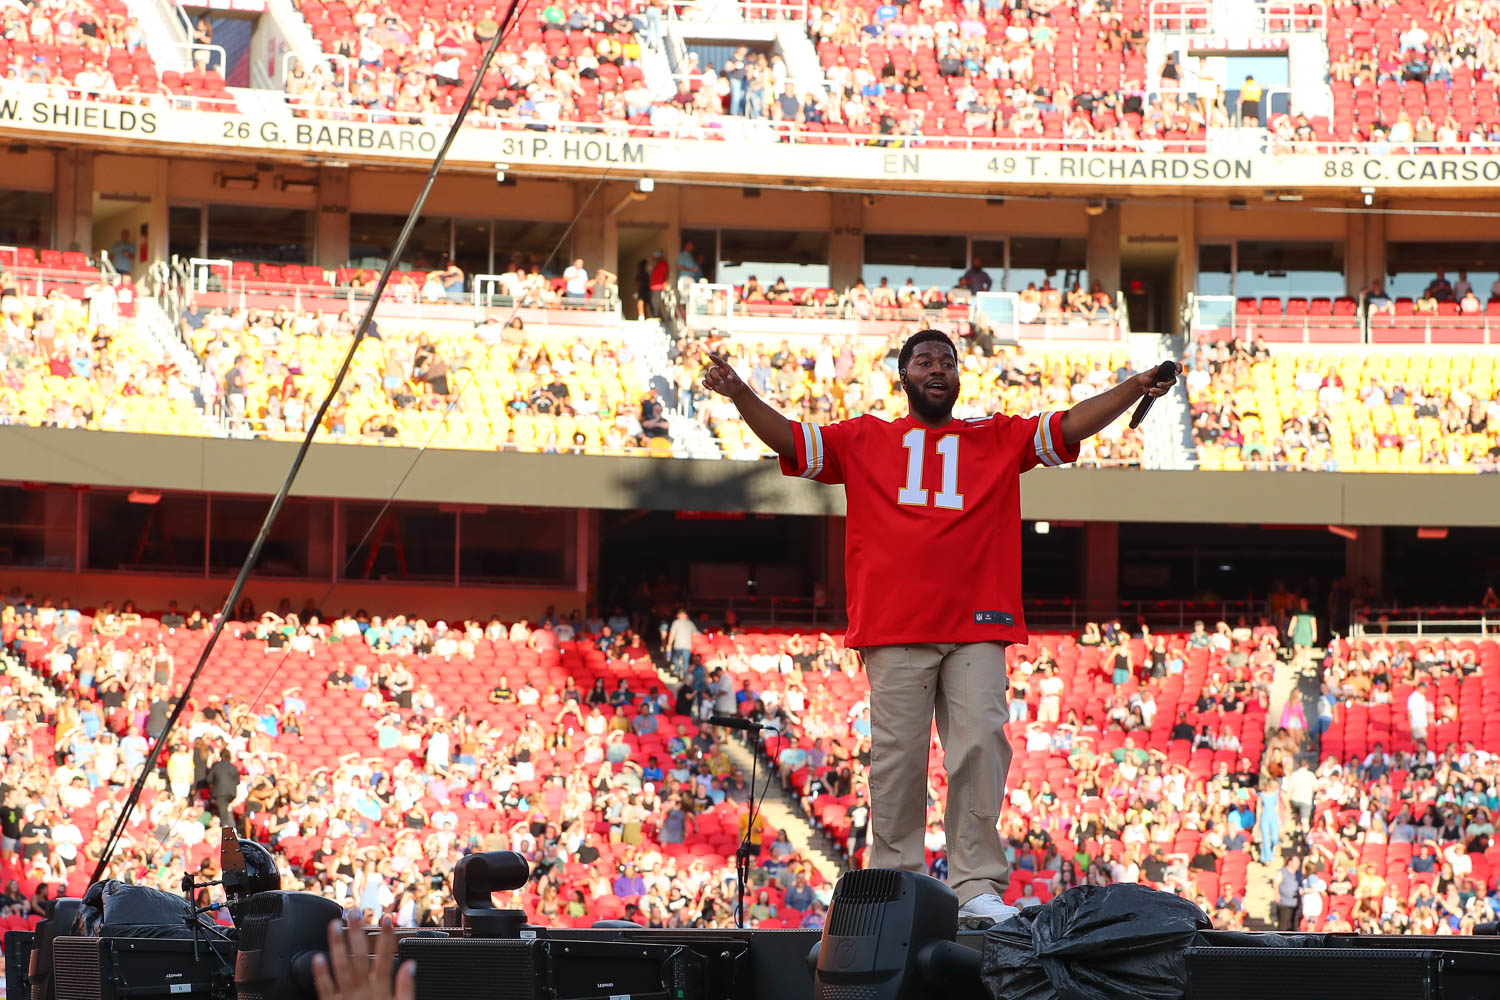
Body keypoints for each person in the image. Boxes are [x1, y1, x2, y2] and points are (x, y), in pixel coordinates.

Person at [700, 328, 1177, 928]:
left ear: (958, 378)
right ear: (903, 377)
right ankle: (896, 882)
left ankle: (976, 884)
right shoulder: (865, 437)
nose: (937, 368)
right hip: (895, 624)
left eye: (947, 362)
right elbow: (792, 439)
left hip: (979, 622)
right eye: (923, 360)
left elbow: (1070, 425)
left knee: (981, 746)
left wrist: (1133, 387)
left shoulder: (997, 436)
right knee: (897, 762)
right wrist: (740, 392)